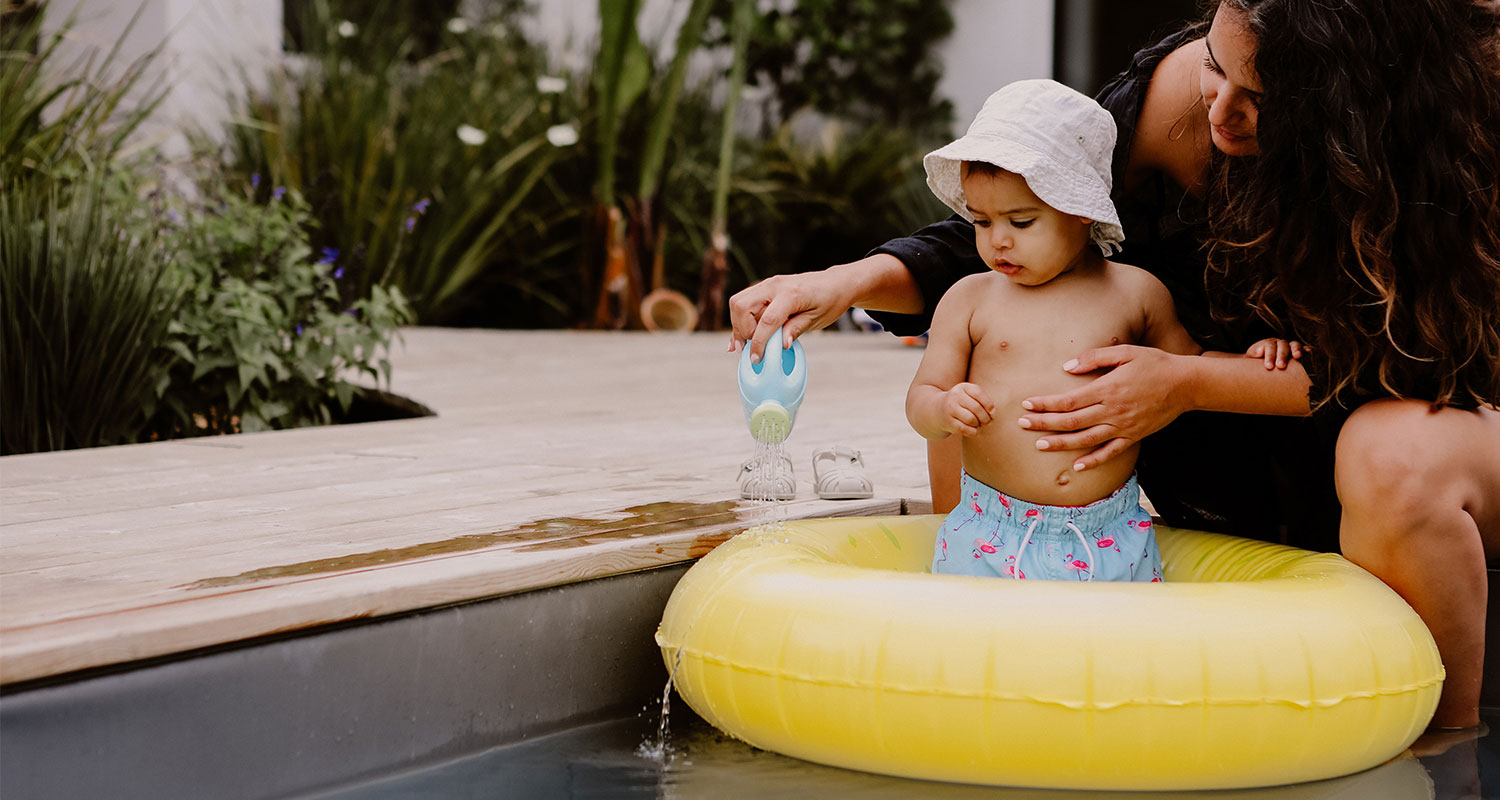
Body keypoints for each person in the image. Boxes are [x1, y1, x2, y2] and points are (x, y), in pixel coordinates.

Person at [727, 0, 1500, 729]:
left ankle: (1442, 753)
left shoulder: (1445, 164)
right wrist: (843, 283)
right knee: (985, 361)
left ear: (1356, 112)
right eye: (1215, 66)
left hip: (1418, 430)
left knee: (1394, 457)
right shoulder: (1177, 106)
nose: (1221, 110)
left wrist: (1190, 381)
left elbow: (1411, 370)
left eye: (1262, 99)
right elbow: (1029, 225)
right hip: (1233, 463)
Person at [908, 79, 1291, 582]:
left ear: (1082, 208)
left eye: (1021, 222)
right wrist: (941, 407)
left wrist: (1253, 358)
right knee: (983, 653)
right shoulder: (970, 300)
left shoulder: (1135, 292)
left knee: (1116, 655)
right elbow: (922, 398)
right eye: (980, 222)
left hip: (1110, 534)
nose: (997, 240)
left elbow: (1189, 367)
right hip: (989, 533)